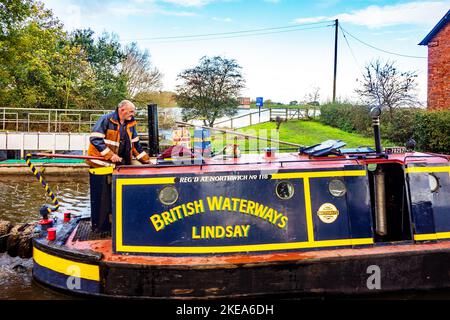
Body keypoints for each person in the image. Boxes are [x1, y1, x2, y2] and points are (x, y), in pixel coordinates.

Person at [87, 100, 151, 167]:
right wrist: (110, 155)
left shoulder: (130, 124)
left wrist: (147, 160)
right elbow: (95, 139)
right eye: (131, 111)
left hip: (119, 163)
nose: (133, 114)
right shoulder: (105, 119)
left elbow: (136, 146)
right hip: (100, 163)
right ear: (122, 110)